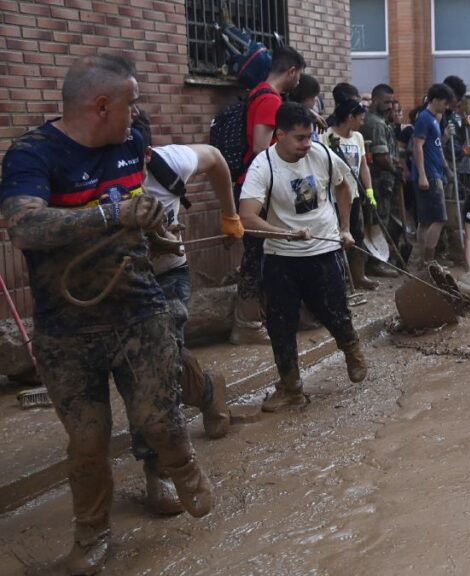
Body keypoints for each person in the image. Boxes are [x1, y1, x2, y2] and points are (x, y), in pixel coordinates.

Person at [0, 54, 214, 574]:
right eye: (131, 102)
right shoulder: (31, 156)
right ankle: (92, 537)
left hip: (139, 309)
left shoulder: (131, 145)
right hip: (65, 328)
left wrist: (153, 226)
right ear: (100, 106)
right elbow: (24, 228)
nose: (137, 113)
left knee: (156, 420)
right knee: (88, 441)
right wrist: (110, 214)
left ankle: (178, 465)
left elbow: (134, 210)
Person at [132, 113, 241, 516]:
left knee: (156, 368)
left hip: (167, 275)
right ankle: (208, 390)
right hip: (117, 285)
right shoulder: (90, 168)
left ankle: (156, 471)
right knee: (151, 365)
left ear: (143, 154)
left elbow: (214, 156)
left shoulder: (168, 161)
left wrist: (228, 215)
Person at [239, 103, 368, 412]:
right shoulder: (263, 166)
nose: (306, 144)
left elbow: (344, 186)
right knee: (280, 326)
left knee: (335, 312)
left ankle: (352, 350)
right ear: (279, 135)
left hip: (323, 251)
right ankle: (291, 387)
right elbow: (247, 218)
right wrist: (284, 234)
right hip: (281, 257)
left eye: (309, 137)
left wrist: (345, 228)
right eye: (299, 138)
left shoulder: (321, 154)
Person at [234, 46, 306, 345]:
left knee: (263, 255)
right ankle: (247, 325)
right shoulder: (268, 100)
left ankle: (259, 317)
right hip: (257, 191)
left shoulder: (261, 94)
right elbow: (263, 149)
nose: (299, 82)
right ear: (291, 72)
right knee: (255, 256)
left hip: (258, 187)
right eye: (299, 75)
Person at [325, 98, 379, 290]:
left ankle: (359, 276)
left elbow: (363, 166)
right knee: (336, 237)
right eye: (360, 118)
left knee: (357, 235)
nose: (362, 122)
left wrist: (369, 190)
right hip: (334, 197)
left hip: (355, 194)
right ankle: (338, 280)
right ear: (350, 117)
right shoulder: (327, 136)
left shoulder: (357, 137)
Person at [360, 83, 403, 277]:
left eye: (392, 102)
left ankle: (376, 260)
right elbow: (381, 157)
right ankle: (374, 263)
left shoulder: (380, 121)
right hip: (378, 180)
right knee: (378, 220)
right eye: (386, 102)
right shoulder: (375, 123)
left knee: (381, 219)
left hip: (382, 179)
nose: (390, 106)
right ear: (376, 101)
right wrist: (396, 171)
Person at [412, 83, 456, 265]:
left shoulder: (433, 121)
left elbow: (435, 148)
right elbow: (417, 146)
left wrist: (446, 168)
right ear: (436, 100)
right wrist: (422, 174)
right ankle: (429, 260)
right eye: (445, 103)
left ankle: (423, 259)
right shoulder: (424, 118)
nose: (446, 108)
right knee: (439, 218)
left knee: (426, 221)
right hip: (429, 175)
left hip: (435, 172)